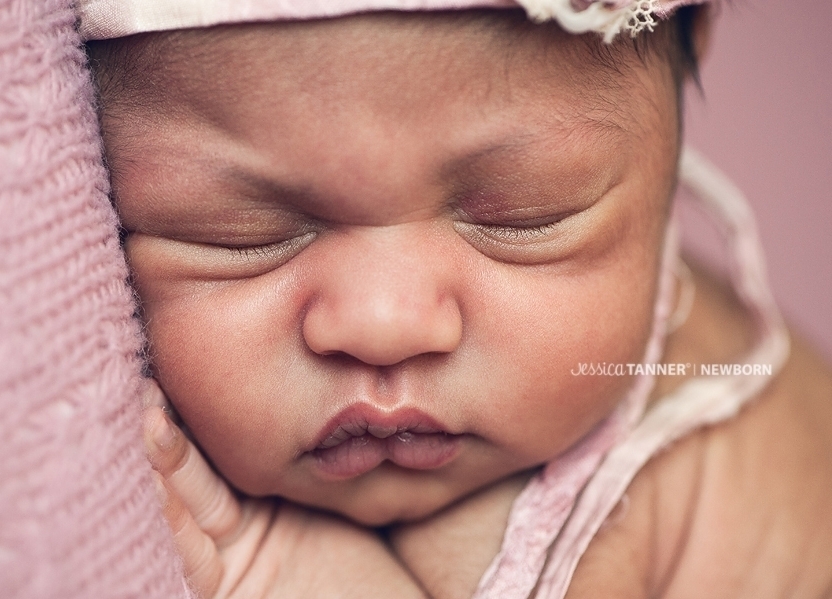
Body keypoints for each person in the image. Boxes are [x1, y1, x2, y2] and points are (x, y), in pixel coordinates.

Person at [83, 1, 832, 597]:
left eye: (524, 215)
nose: (383, 325)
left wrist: (284, 572)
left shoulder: (588, 510)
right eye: (238, 233)